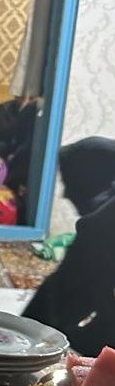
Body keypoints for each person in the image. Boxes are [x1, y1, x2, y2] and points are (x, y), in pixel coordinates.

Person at [22, 137, 115, 356]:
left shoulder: (101, 227)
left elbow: (58, 300)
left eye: (72, 182)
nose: (66, 194)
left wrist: (22, 340)